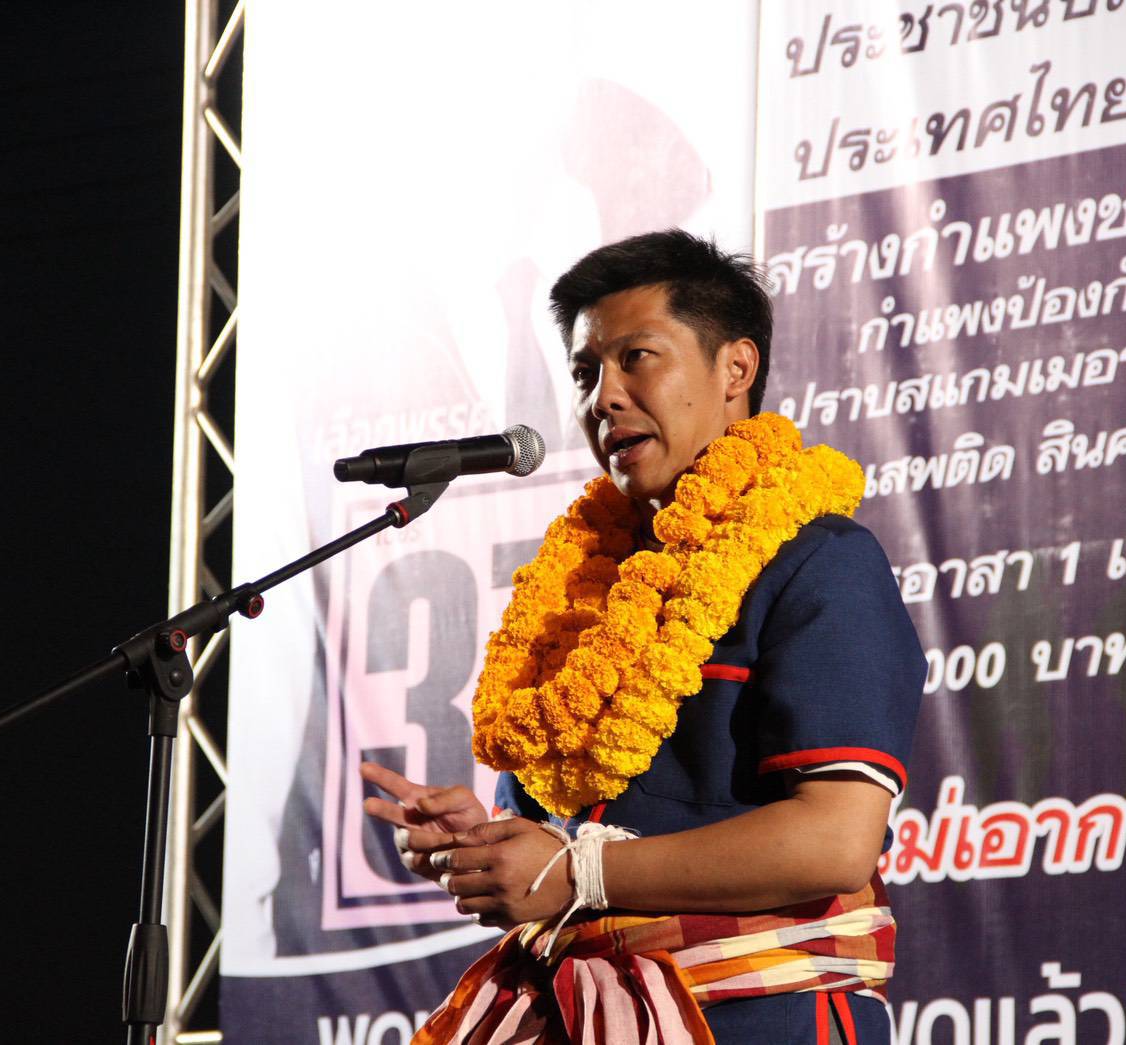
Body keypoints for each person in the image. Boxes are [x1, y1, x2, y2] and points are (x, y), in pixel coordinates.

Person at [362, 229, 925, 1044]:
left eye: (637, 358)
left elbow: (835, 840)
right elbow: (563, 848)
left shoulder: (817, 559)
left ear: (736, 368)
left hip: (758, 1018)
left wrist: (576, 871)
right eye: (584, 373)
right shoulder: (577, 592)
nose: (604, 398)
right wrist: (488, 845)